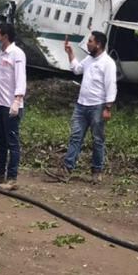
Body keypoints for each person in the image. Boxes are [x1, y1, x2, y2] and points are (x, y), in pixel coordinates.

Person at [45, 31, 117, 185]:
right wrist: (70, 53)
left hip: (97, 106)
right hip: (81, 104)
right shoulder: (89, 59)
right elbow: (77, 69)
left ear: (98, 44)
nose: (88, 44)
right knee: (76, 137)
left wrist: (108, 107)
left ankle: (97, 171)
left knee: (97, 139)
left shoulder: (108, 63)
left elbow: (111, 85)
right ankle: (67, 169)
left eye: (90, 41)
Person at [0, 23, 26, 190]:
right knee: (0, 140)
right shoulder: (1, 53)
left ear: (5, 36)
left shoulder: (17, 54)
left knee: (12, 142)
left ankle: (12, 178)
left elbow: (21, 78)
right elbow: (0, 77)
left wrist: (17, 100)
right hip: (0, 102)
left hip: (11, 104)